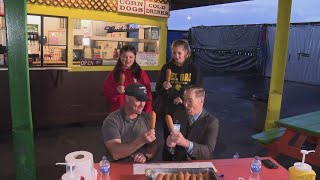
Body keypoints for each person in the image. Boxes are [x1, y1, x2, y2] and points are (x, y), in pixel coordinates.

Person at [155, 39, 202, 160]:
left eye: (179, 53)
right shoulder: (166, 67)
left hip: (186, 111)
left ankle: (183, 162)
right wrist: (164, 86)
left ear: (186, 52)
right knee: (169, 138)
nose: (176, 56)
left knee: (184, 138)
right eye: (174, 53)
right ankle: (166, 162)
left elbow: (198, 90)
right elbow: (158, 89)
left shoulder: (193, 69)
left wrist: (183, 99)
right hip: (169, 111)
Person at [102, 83, 157, 162]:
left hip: (140, 166)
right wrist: (142, 140)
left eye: (144, 100)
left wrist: (146, 155)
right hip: (118, 166)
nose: (142, 104)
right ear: (127, 98)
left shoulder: (146, 117)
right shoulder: (112, 120)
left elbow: (153, 145)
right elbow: (116, 153)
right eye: (138, 100)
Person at [166, 86, 219, 161]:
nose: (185, 104)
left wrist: (185, 143)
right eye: (184, 100)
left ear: (201, 101)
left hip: (199, 167)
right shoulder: (178, 115)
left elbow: (208, 152)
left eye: (190, 101)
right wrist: (170, 146)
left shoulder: (211, 122)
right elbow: (172, 151)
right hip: (179, 165)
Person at [104, 45, 152, 113]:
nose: (128, 60)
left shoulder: (140, 74)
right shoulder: (114, 74)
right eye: (125, 57)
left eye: (131, 57)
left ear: (134, 57)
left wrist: (147, 113)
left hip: (137, 114)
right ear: (120, 57)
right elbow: (108, 96)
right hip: (119, 113)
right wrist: (116, 91)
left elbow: (148, 94)